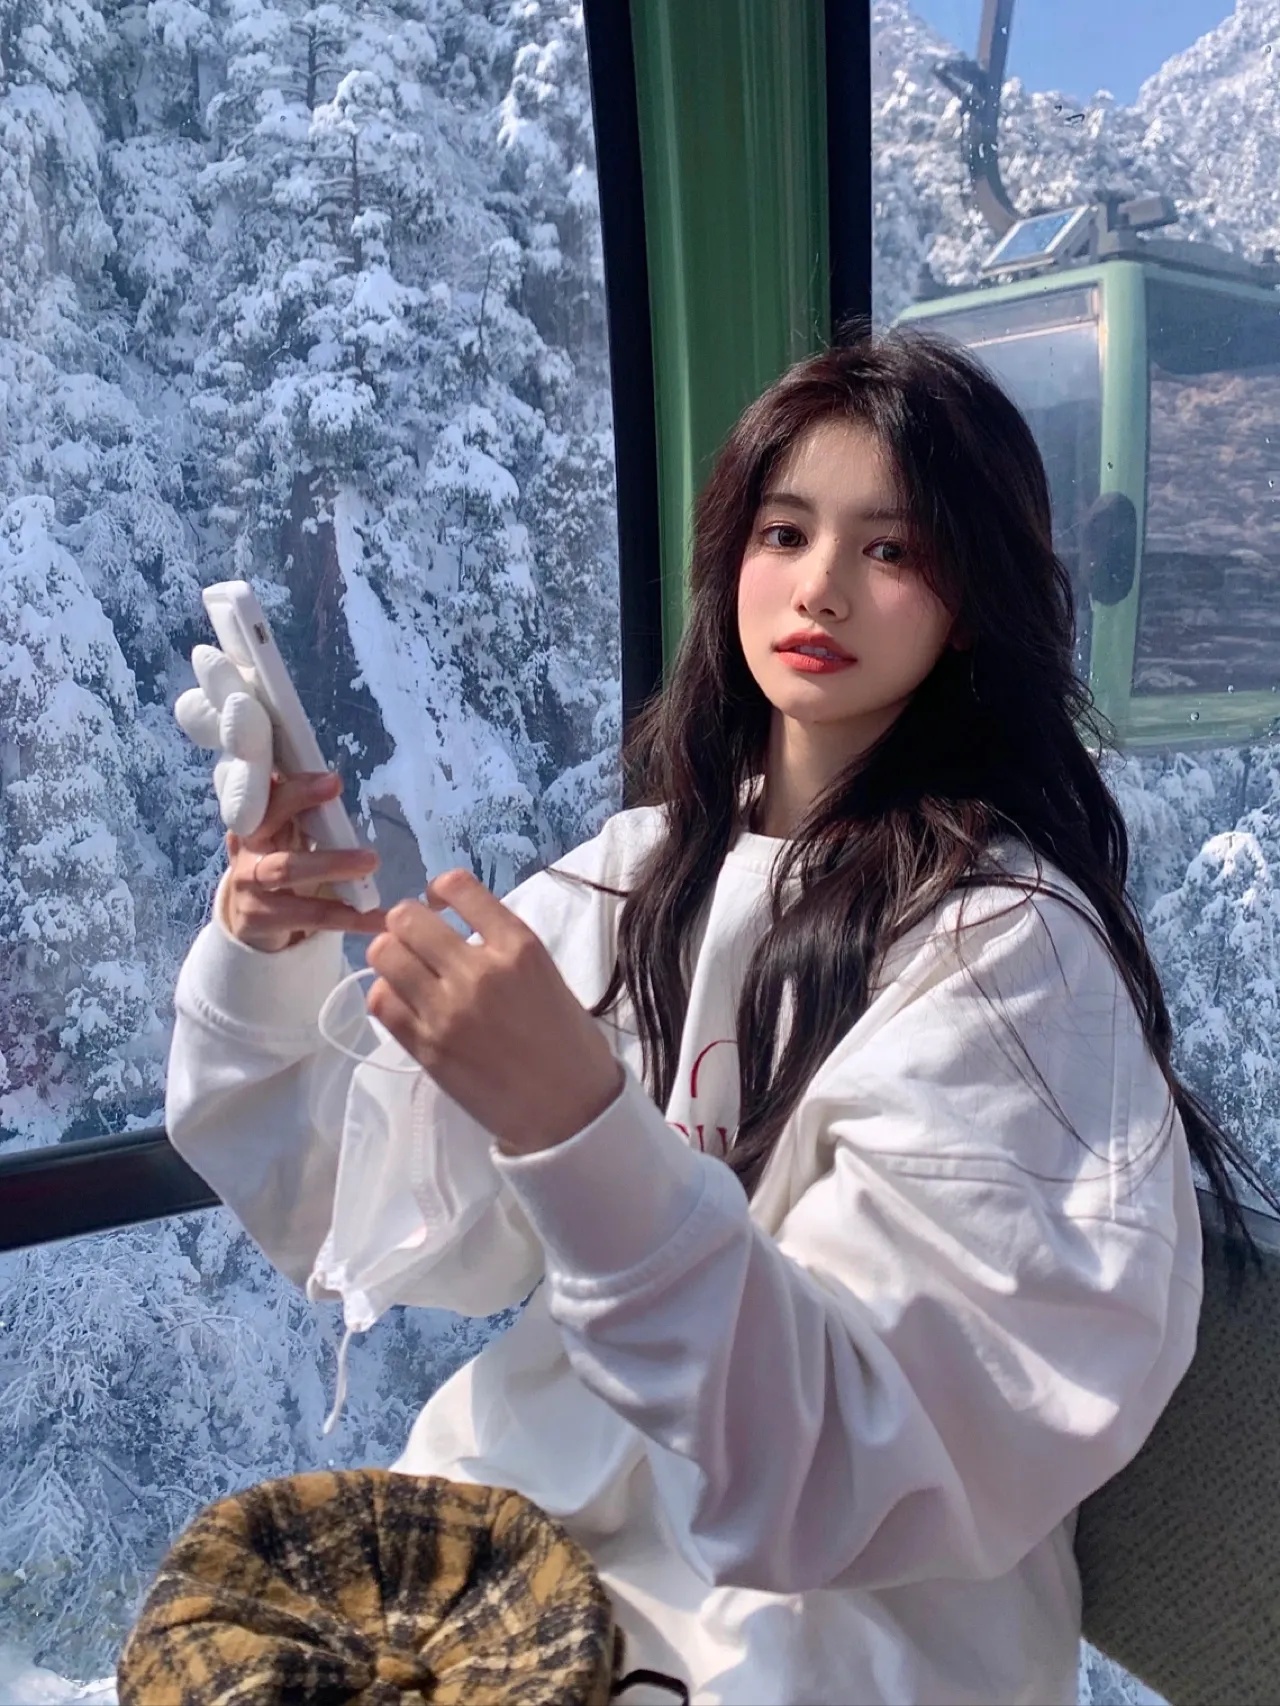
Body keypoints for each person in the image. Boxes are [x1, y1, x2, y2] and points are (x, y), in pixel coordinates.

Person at [165, 331, 1249, 1706]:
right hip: (524, 1551)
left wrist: (581, 1131)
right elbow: (354, 1205)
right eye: (784, 533)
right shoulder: (643, 874)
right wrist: (266, 947)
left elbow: (842, 1466)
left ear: (973, 601)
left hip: (830, 1641)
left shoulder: (1010, 956)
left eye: (891, 549)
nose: (819, 586)